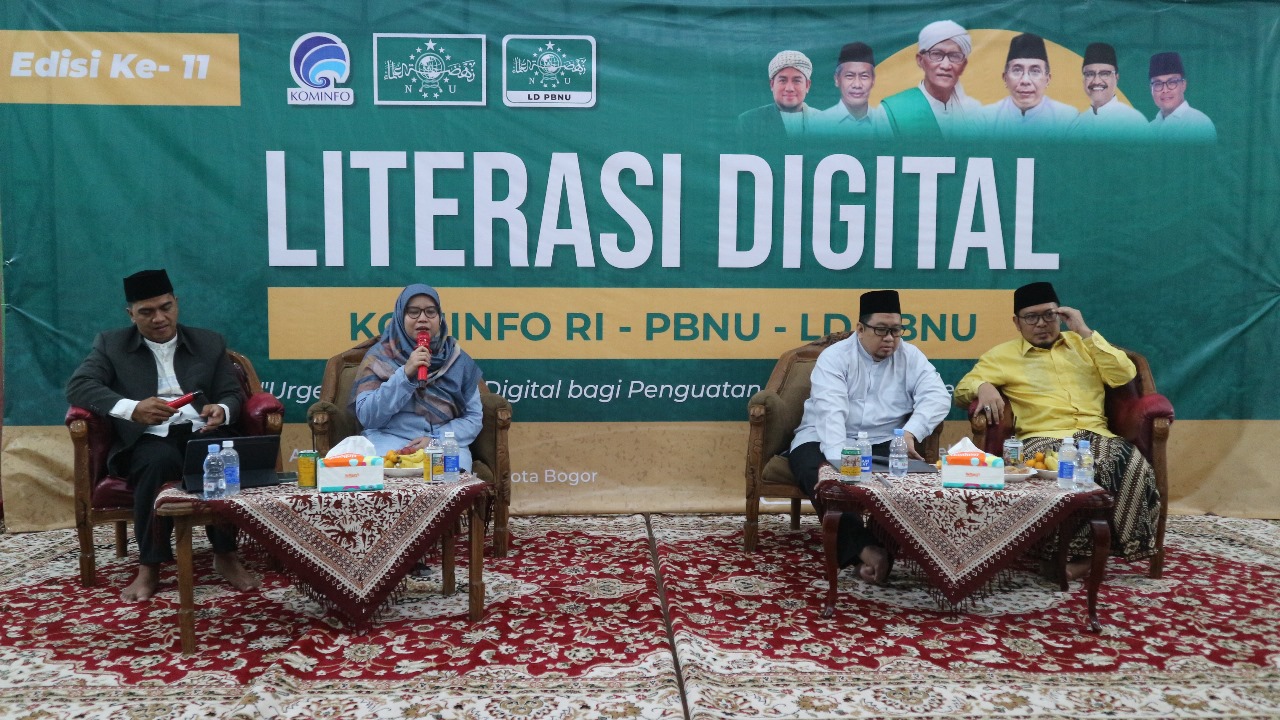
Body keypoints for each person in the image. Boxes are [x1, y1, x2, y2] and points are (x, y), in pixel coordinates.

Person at [65, 269, 260, 602]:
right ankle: (150, 566)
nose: (159, 318)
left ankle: (226, 555)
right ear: (131, 314)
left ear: (176, 303)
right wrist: (132, 408)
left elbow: (232, 393)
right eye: (147, 312)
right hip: (148, 436)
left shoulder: (209, 342)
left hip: (201, 430)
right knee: (157, 462)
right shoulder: (111, 345)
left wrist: (222, 410)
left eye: (165, 307)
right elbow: (79, 386)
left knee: (219, 457)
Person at [954, 282, 1162, 579]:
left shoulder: (1085, 344)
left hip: (1096, 435)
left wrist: (1084, 331)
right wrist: (983, 386)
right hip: (1042, 439)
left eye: (1048, 315)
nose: (1041, 324)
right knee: (1067, 470)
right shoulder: (1001, 356)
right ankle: (1065, 552)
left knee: (1127, 462)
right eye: (1031, 317)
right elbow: (962, 390)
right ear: (1017, 322)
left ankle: (1096, 553)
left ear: (1061, 315)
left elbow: (1123, 375)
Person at [788, 290, 951, 583]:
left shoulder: (911, 356)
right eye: (881, 330)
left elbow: (937, 397)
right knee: (815, 472)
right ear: (860, 329)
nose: (890, 338)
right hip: (824, 436)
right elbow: (831, 412)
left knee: (911, 479)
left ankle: (891, 545)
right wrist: (842, 464)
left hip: (884, 439)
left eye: (896, 330)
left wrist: (911, 432)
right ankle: (866, 550)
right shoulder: (835, 357)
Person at [353, 284, 483, 469]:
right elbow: (367, 416)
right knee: (386, 477)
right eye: (413, 312)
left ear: (440, 317)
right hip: (389, 440)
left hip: (442, 444)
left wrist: (435, 440)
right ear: (400, 316)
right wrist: (405, 375)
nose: (423, 318)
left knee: (454, 481)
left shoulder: (458, 360)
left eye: (430, 312)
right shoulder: (380, 357)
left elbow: (473, 418)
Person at [880, 20, 982, 139]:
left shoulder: (974, 114)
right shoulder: (894, 111)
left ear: (963, 65)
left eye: (955, 56)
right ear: (920, 60)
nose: (946, 65)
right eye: (936, 54)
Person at [982, 33, 1077, 137]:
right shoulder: (986, 118)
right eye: (1017, 70)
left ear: (1047, 79)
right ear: (1005, 78)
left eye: (1035, 71)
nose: (1025, 80)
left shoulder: (1068, 119)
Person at [1069, 42, 1148, 138]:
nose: (1096, 81)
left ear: (1116, 78)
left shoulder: (1134, 122)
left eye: (1104, 74)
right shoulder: (1077, 125)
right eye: (1089, 74)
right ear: (1083, 79)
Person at [737, 50, 818, 141]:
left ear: (807, 85)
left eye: (796, 81)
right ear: (772, 85)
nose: (789, 88)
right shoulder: (750, 121)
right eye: (783, 80)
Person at [813, 42, 888, 138]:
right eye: (849, 76)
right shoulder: (818, 124)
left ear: (873, 80)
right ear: (837, 79)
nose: (857, 85)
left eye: (864, 76)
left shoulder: (885, 122)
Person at [1148, 51, 1216, 141]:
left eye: (1172, 82)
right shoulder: (1150, 128)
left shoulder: (1199, 124)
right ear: (1151, 89)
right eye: (1158, 84)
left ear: (1183, 85)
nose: (1165, 90)